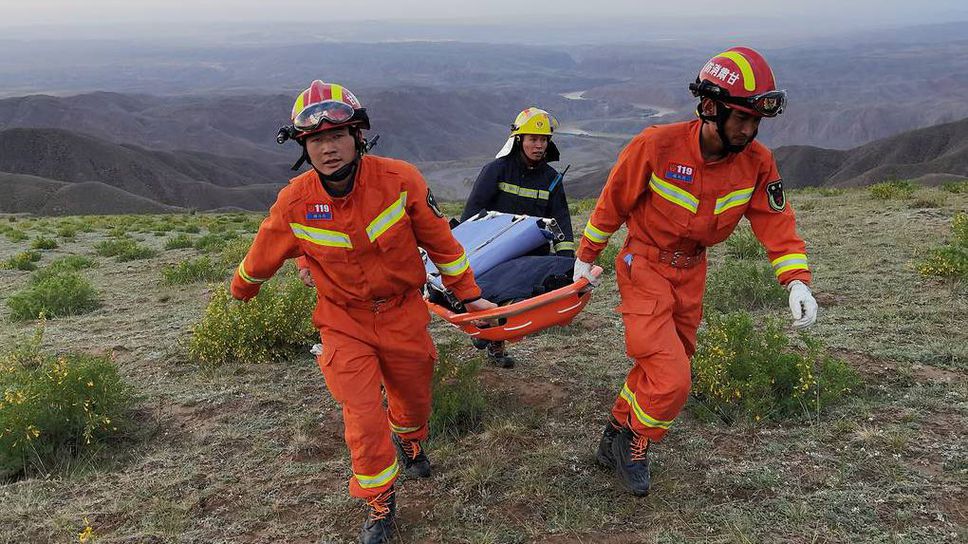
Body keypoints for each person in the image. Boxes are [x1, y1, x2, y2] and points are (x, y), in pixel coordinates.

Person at [231, 80, 496, 544]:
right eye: (316, 140)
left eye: (336, 137)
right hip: (343, 322)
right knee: (362, 415)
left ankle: (410, 440)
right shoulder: (295, 201)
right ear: (303, 147)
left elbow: (442, 245)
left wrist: (470, 297)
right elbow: (262, 254)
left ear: (358, 137)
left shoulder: (400, 180)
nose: (328, 149)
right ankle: (379, 504)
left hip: (403, 313)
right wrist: (242, 290)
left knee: (412, 400)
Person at [572, 47, 819, 496]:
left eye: (755, 121)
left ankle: (613, 434)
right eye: (741, 118)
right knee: (671, 379)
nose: (749, 129)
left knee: (662, 366)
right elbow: (613, 202)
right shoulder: (656, 145)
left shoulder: (758, 161)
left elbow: (775, 221)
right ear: (710, 108)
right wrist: (586, 256)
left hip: (692, 272)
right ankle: (636, 444)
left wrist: (796, 279)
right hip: (643, 264)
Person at [459, 107, 575, 368]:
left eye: (544, 140)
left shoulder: (551, 179)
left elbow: (561, 220)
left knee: (513, 299)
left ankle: (494, 340)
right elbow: (472, 214)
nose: (539, 145)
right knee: (492, 295)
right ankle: (490, 337)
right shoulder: (496, 171)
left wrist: (567, 261)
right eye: (533, 139)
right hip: (494, 250)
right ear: (519, 140)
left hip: (531, 254)